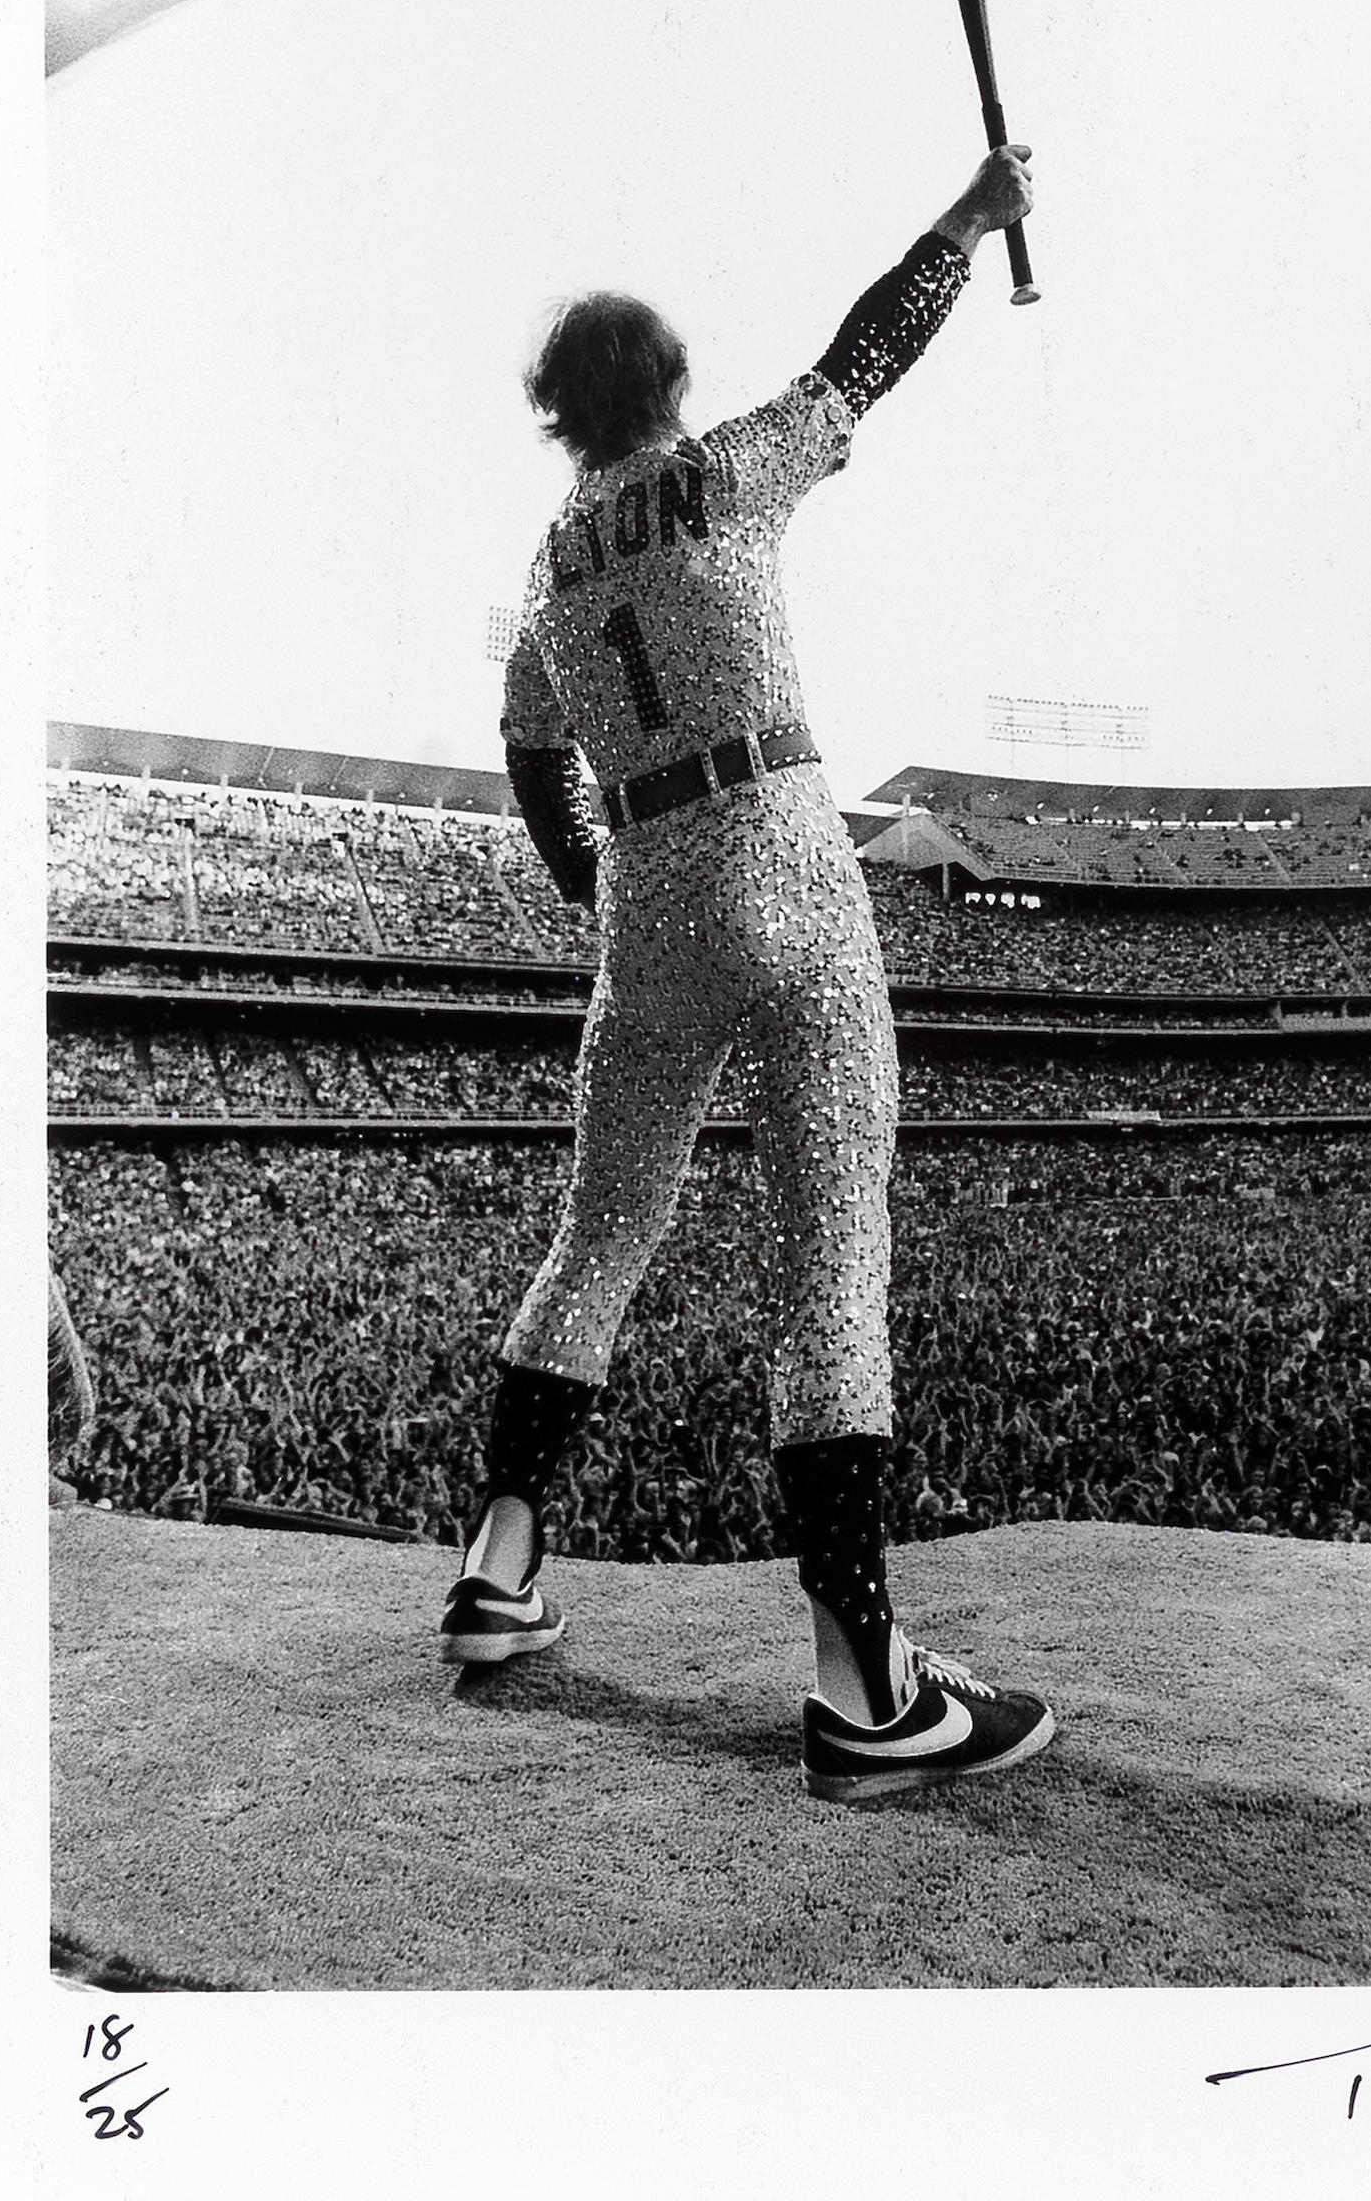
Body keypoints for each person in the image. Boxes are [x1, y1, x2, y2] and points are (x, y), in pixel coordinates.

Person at [440, 145, 1055, 1804]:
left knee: (599, 1239)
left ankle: (500, 1571)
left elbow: (526, 750)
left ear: (557, 417)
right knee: (828, 1259)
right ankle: (866, 1688)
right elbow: (869, 355)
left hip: (648, 898)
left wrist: (600, 888)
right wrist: (967, 219)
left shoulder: (550, 576)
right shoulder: (725, 474)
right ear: (670, 388)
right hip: (783, 857)